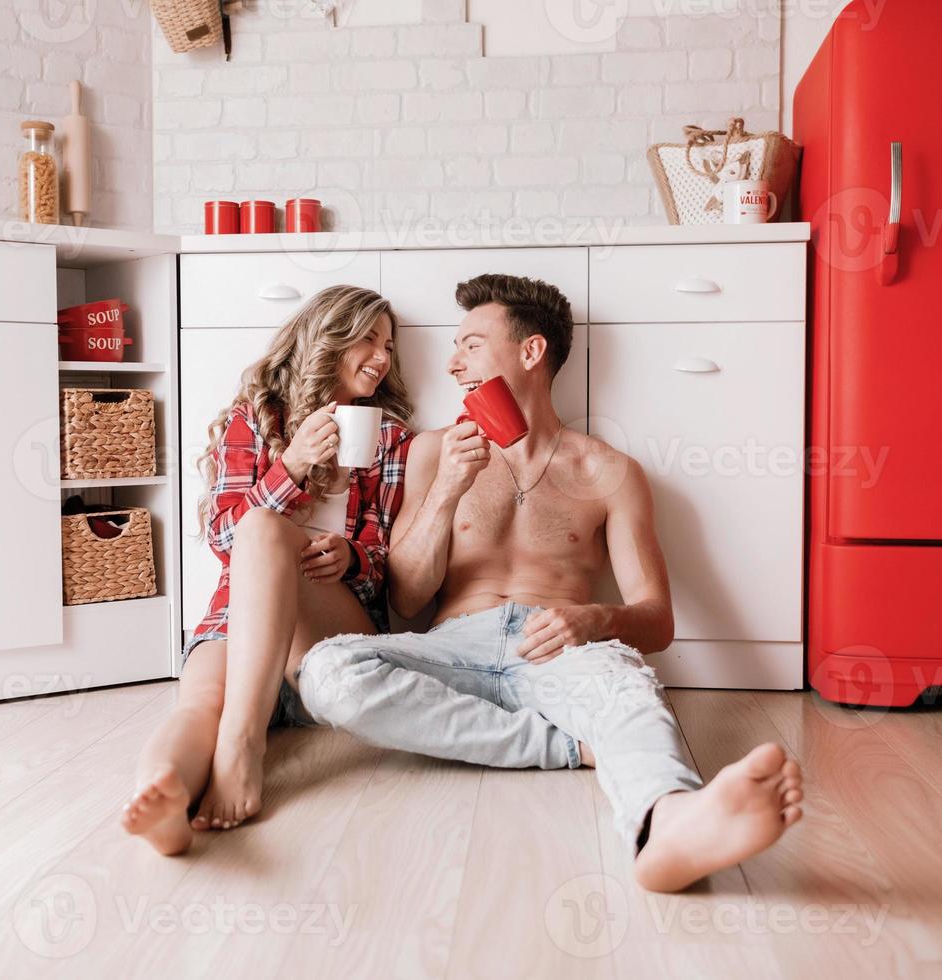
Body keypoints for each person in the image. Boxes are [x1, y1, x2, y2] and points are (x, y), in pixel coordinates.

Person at [292, 274, 805, 893]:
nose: (453, 364)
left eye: (472, 345)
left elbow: (658, 620)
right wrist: (449, 490)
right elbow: (404, 598)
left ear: (531, 353)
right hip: (455, 644)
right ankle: (564, 746)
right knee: (328, 672)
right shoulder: (432, 452)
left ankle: (669, 822)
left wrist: (596, 620)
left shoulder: (610, 472)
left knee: (629, 693)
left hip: (561, 643)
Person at [121, 285, 415, 855]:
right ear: (328, 338)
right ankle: (162, 795)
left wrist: (353, 558)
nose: (382, 357)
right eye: (369, 340)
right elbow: (225, 537)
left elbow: (388, 572)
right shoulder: (256, 419)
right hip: (242, 623)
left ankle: (243, 744)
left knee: (264, 528)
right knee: (201, 701)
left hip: (325, 637)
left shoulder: (389, 438)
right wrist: (294, 464)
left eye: (389, 345)